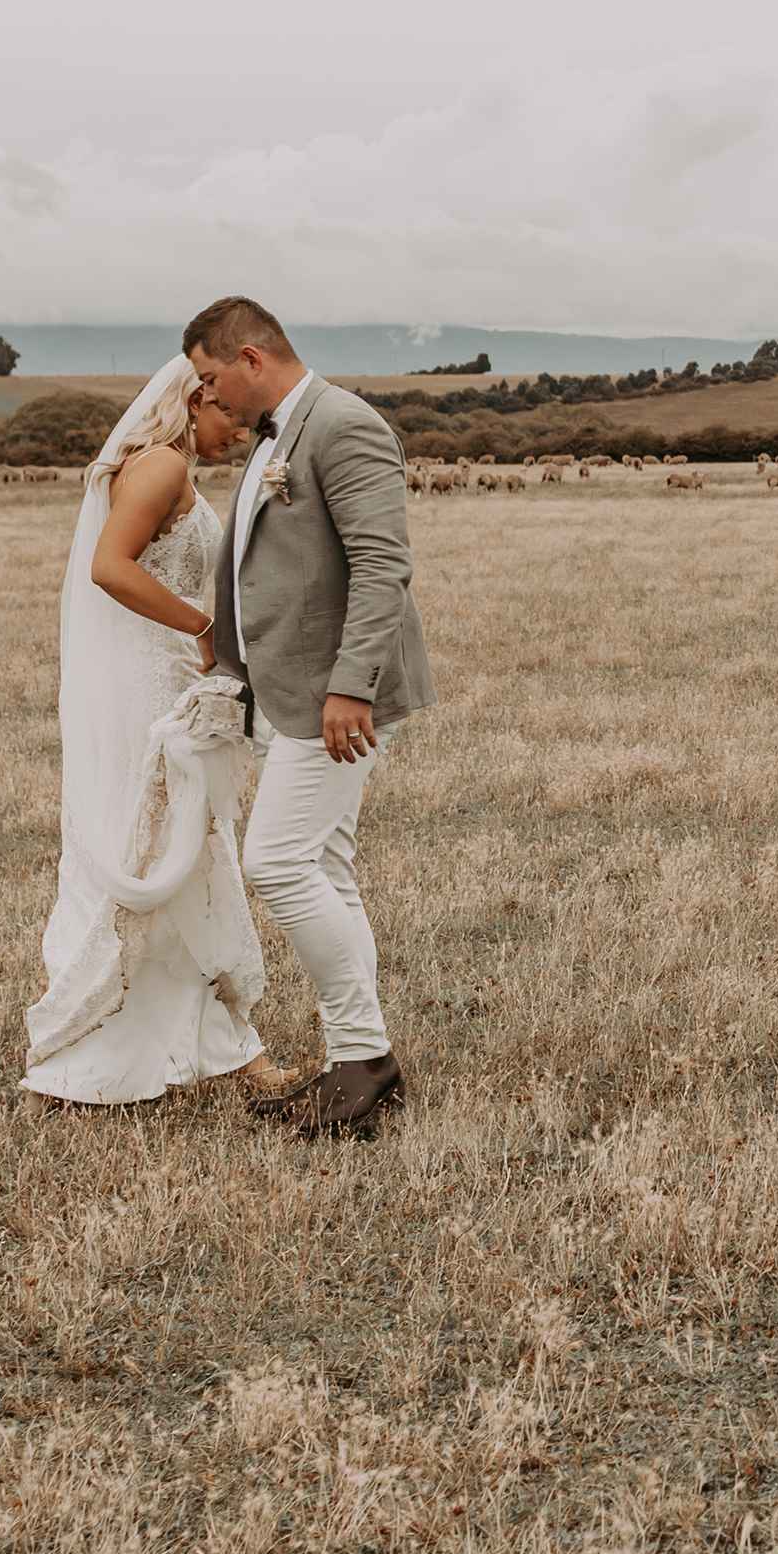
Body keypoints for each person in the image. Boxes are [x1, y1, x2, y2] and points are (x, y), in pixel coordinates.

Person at [185, 296, 435, 1140]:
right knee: (325, 867)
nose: (210, 399)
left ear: (252, 359)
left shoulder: (342, 425)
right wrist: (224, 650)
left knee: (279, 862)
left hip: (340, 697)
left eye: (213, 379)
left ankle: (365, 1060)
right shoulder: (275, 437)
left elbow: (381, 563)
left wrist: (352, 686)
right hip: (294, 691)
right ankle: (354, 1064)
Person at [22, 359, 278, 1106]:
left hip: (166, 672)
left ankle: (217, 1042)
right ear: (199, 398)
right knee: (156, 839)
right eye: (235, 416)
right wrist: (202, 628)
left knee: (185, 843)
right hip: (142, 681)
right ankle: (114, 1044)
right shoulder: (159, 464)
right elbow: (110, 567)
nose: (242, 432)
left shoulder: (177, 468)